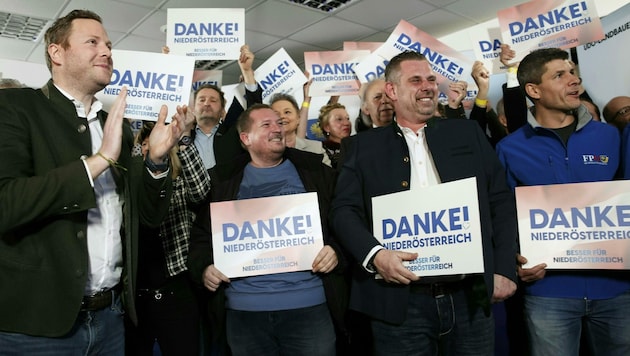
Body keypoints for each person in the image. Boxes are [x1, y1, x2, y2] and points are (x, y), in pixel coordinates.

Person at [0, 9, 185, 354]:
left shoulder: (116, 128)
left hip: (110, 320)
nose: (106, 51)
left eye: (109, 45)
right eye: (93, 42)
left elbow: (147, 217)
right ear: (57, 52)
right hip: (35, 328)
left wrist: (157, 160)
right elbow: (6, 204)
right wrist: (98, 161)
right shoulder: (13, 108)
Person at [330, 50, 518, 355]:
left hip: (471, 293)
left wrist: (504, 267)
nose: (427, 86)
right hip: (399, 302)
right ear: (392, 91)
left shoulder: (467, 131)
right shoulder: (361, 147)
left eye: (431, 79)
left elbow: (499, 199)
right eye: (415, 80)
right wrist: (375, 254)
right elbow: (344, 211)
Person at [495, 47, 630, 356]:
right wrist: (516, 257)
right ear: (533, 90)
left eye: (573, 73)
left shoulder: (610, 137)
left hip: (616, 289)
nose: (574, 81)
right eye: (560, 75)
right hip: (548, 292)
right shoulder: (509, 148)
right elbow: (503, 215)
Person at [187, 104, 347, 356]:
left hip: (309, 309)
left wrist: (336, 251)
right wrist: (205, 267)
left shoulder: (318, 173)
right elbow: (200, 239)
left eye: (280, 123)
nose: (277, 129)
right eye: (267, 125)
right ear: (245, 138)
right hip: (245, 315)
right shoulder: (222, 183)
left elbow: (346, 221)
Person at [125, 112, 211, 356]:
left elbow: (201, 191)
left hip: (176, 287)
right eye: (144, 143)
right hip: (136, 293)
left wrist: (182, 136)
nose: (148, 147)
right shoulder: (129, 183)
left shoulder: (179, 179)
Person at [191, 44, 262, 177]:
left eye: (213, 100)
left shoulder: (234, 133)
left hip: (230, 196)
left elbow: (256, 113)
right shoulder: (182, 137)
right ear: (193, 108)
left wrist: (247, 72)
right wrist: (169, 65)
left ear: (222, 108)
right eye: (201, 100)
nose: (207, 103)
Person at [269, 92, 331, 166]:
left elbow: (328, 176)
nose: (282, 116)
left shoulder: (316, 148)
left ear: (298, 118)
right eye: (276, 114)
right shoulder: (264, 151)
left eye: (287, 112)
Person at [318, 102, 352, 169]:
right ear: (327, 127)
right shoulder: (319, 150)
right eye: (339, 119)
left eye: (347, 118)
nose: (346, 123)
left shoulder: (358, 145)